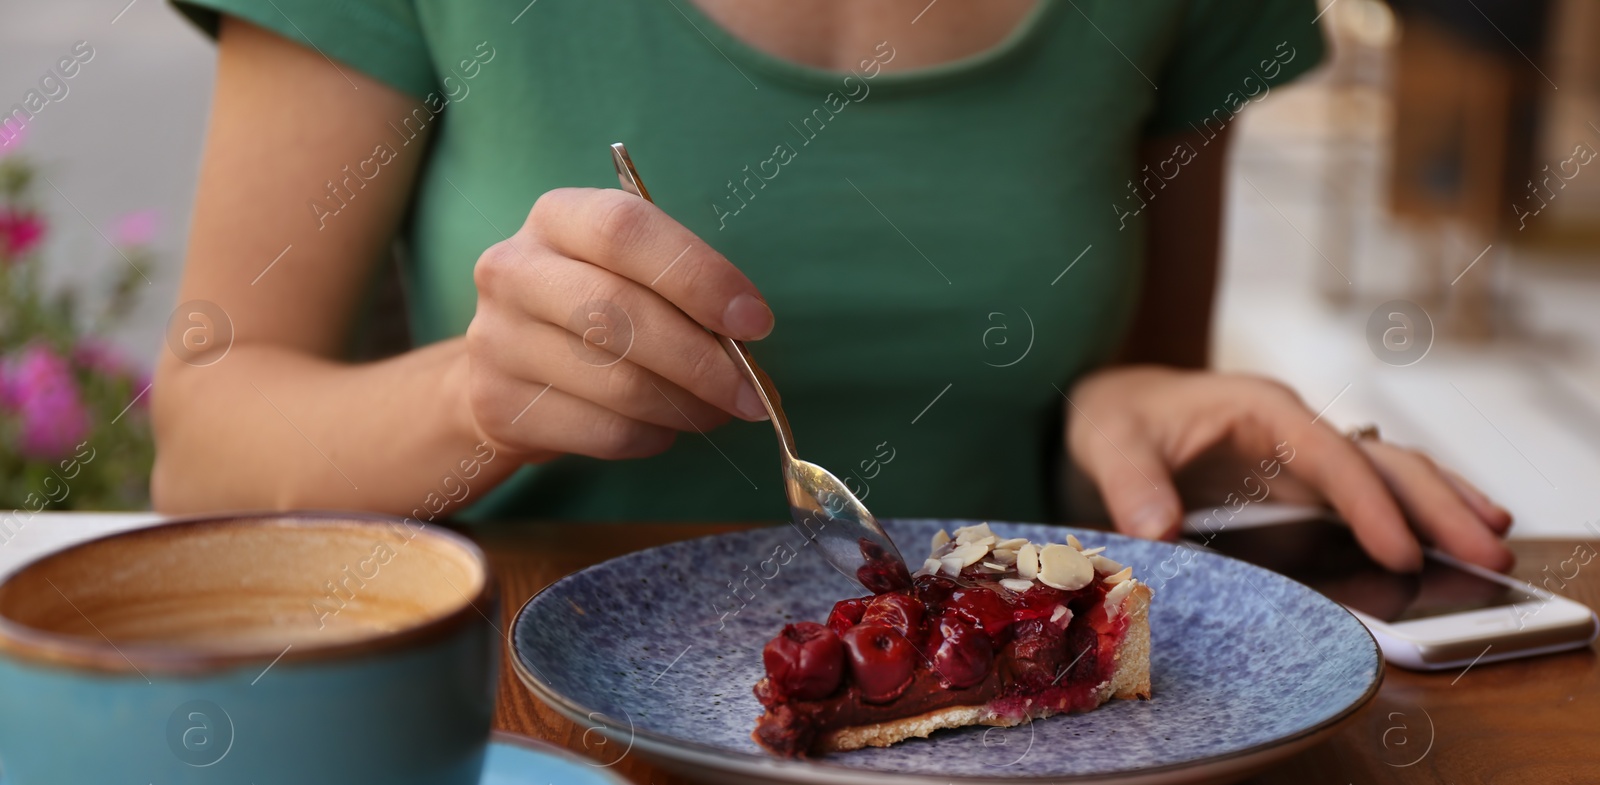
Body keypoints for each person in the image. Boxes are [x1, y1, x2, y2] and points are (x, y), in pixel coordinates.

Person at [154, 0, 1513, 573]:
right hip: (505, 782)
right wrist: (478, 397)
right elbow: (204, 446)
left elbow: (1119, 440)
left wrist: (1162, 432)